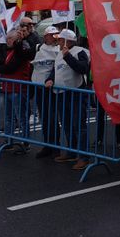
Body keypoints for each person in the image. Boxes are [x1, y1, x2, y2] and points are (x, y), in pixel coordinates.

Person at [47, 28, 91, 170]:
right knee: (66, 124)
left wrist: (68, 56)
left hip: (76, 93)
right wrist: (50, 79)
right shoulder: (60, 53)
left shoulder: (80, 51)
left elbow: (83, 68)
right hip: (61, 93)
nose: (58, 42)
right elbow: (56, 70)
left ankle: (84, 157)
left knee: (79, 125)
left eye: (60, 39)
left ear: (67, 41)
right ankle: (72, 151)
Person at [0, 29, 34, 154]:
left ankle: (25, 143)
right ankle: (8, 141)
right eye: (7, 38)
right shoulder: (10, 52)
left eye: (10, 38)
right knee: (9, 117)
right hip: (8, 88)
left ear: (16, 40)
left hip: (18, 89)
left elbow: (11, 68)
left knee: (21, 117)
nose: (7, 40)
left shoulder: (21, 51)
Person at [32, 26, 61, 158]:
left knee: (52, 118)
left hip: (51, 88)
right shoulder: (38, 47)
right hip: (39, 87)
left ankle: (55, 146)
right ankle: (47, 145)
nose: (55, 37)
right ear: (45, 36)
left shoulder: (60, 49)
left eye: (56, 35)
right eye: (52, 35)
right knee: (44, 117)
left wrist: (51, 79)